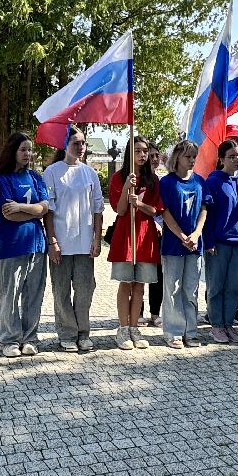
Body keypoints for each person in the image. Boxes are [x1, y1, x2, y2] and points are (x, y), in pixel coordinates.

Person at [42, 126, 103, 353]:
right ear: (65, 145)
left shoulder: (90, 173)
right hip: (61, 241)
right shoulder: (52, 172)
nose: (80, 147)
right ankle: (67, 333)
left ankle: (83, 332)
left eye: (83, 143)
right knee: (61, 290)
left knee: (85, 288)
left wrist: (97, 238)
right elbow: (49, 210)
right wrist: (53, 241)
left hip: (85, 242)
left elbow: (98, 209)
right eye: (76, 143)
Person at [0, 132, 51, 357]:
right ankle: (8, 339)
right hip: (11, 245)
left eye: (30, 150)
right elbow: (9, 215)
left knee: (33, 295)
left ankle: (30, 338)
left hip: (36, 244)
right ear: (13, 152)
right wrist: (33, 211)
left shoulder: (36, 177)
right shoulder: (3, 178)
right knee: (10, 295)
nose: (28, 154)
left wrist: (23, 208)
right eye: (23, 149)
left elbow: (44, 207)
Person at [107, 134, 163, 350]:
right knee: (126, 284)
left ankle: (134, 328)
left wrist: (138, 203)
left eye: (145, 151)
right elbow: (120, 210)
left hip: (145, 237)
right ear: (129, 154)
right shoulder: (119, 178)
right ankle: (122, 330)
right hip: (125, 237)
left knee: (140, 285)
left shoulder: (153, 180)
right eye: (137, 151)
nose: (142, 155)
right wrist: (126, 191)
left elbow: (155, 210)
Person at [157, 139, 209, 348]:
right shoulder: (167, 182)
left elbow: (204, 208)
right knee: (172, 288)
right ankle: (173, 331)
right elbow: (165, 212)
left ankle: (191, 330)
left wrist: (196, 234)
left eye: (194, 157)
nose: (192, 161)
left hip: (195, 244)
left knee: (191, 289)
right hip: (173, 244)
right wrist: (182, 236)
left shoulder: (199, 181)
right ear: (177, 157)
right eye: (188, 156)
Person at [203, 140, 238, 343]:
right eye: (232, 156)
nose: (237, 160)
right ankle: (216, 324)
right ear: (222, 159)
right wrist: (209, 241)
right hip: (219, 242)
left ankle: (228, 322)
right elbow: (206, 214)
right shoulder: (213, 181)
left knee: (234, 286)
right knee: (216, 285)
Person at [144, 139, 166, 327]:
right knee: (141, 273)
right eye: (150, 156)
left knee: (157, 274)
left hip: (160, 233)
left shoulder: (160, 179)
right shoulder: (138, 178)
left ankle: (155, 311)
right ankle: (138, 312)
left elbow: (161, 207)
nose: (154, 159)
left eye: (156, 155)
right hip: (143, 230)